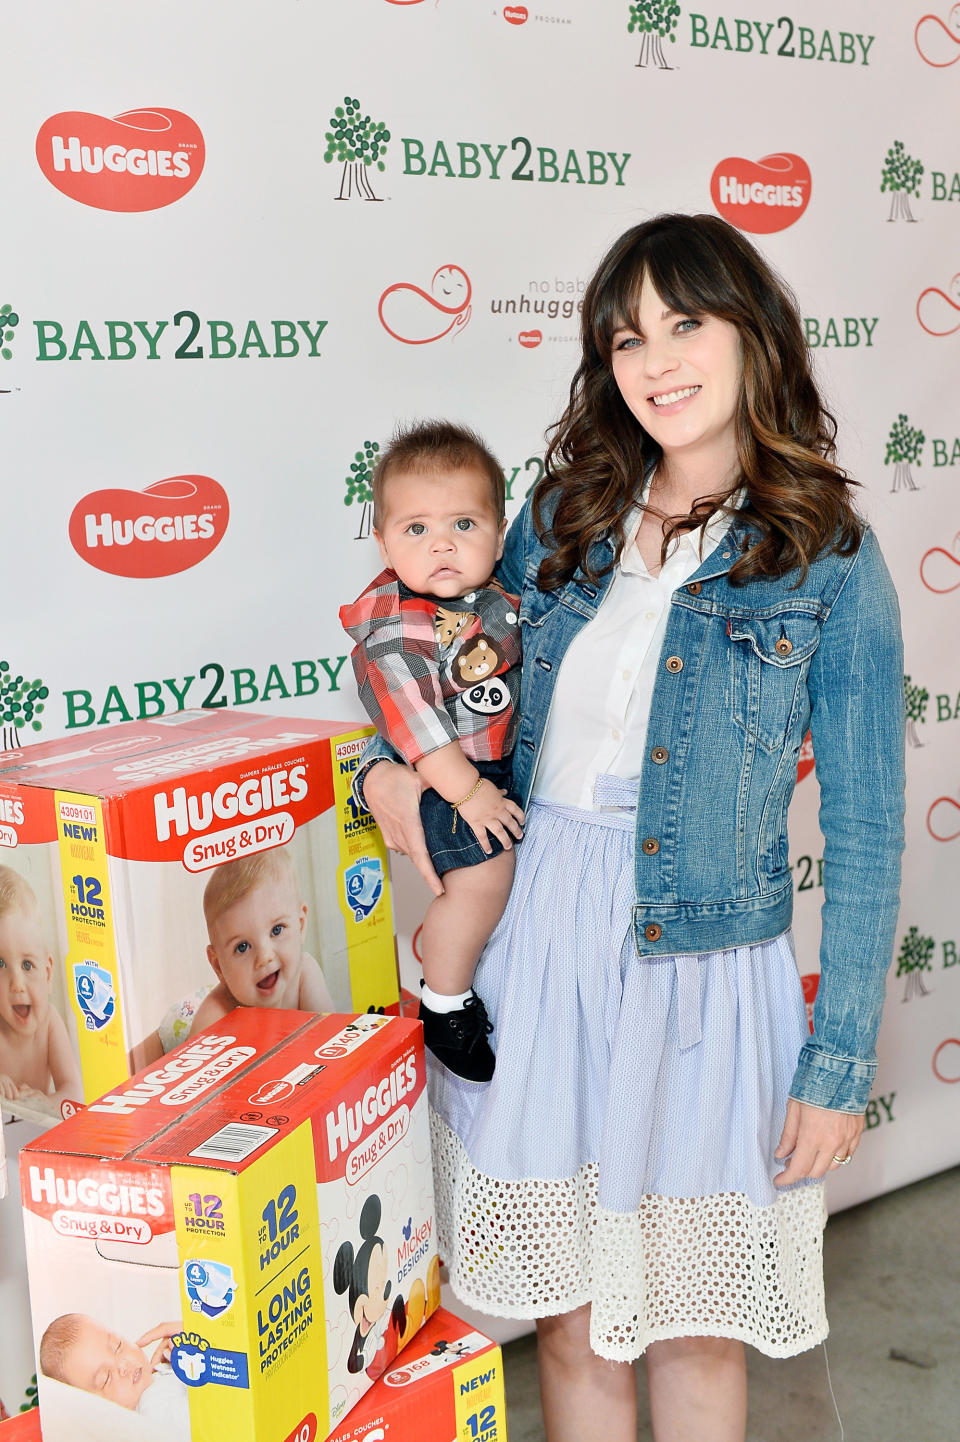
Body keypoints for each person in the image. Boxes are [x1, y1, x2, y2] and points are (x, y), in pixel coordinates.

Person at [357, 214, 906, 1442]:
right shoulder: (563, 516)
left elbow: (870, 831)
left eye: (685, 323)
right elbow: (430, 684)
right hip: (544, 933)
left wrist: (837, 1060)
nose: (655, 360)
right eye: (625, 338)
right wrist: (388, 782)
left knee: (694, 1320)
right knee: (568, 1307)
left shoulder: (829, 556)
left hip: (702, 965)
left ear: (752, 331)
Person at [340, 422, 524, 1082]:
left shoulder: (501, 596)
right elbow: (415, 726)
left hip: (497, 767)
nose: (441, 543)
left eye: (464, 525)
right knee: (483, 880)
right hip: (447, 775)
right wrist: (468, 792)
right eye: (416, 529)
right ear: (384, 541)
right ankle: (443, 1005)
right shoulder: (393, 626)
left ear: (500, 534)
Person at [185, 848, 333, 1039]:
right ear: (218, 965)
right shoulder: (215, 1017)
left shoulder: (304, 975)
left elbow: (333, 1037)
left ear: (300, 925)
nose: (264, 957)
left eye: (277, 930)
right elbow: (200, 1068)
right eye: (242, 947)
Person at [0, 866, 81, 1114]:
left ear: (47, 973)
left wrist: (46, 1104)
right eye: (0, 964)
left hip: (36, 1135)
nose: (17, 983)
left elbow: (73, 1092)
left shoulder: (49, 1023)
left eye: (27, 965)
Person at [39, 1312, 190, 1437]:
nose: (123, 1365)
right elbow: (201, 1423)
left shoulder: (159, 1375)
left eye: (118, 1346)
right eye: (106, 1379)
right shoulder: (151, 1410)